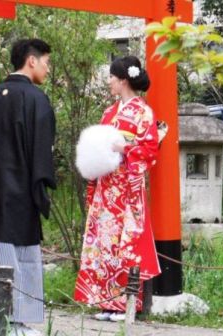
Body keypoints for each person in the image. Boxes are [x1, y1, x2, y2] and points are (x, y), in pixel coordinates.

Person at [74, 56, 161, 322]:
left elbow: (150, 150)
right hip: (106, 187)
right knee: (103, 244)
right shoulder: (109, 112)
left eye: (112, 77)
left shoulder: (143, 112)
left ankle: (126, 303)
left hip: (127, 189)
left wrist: (125, 148)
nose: (109, 81)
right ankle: (106, 302)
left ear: (123, 79)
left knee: (126, 244)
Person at [0, 39, 56, 334]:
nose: (48, 69)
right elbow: (42, 150)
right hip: (22, 189)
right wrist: (43, 185)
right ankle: (17, 319)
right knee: (23, 256)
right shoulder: (36, 99)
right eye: (47, 62)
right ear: (32, 61)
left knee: (0, 251)